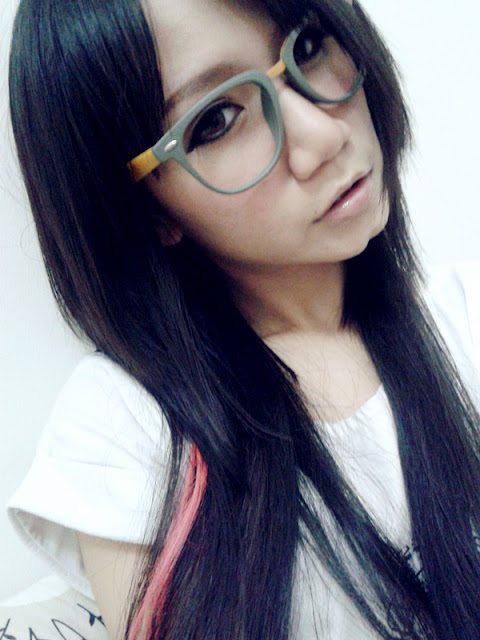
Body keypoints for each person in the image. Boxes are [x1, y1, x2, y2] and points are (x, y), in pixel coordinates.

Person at [6, 0, 480, 638]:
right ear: (147, 211)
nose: (322, 136)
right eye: (217, 120)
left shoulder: (464, 316)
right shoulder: (127, 431)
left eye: (308, 46)